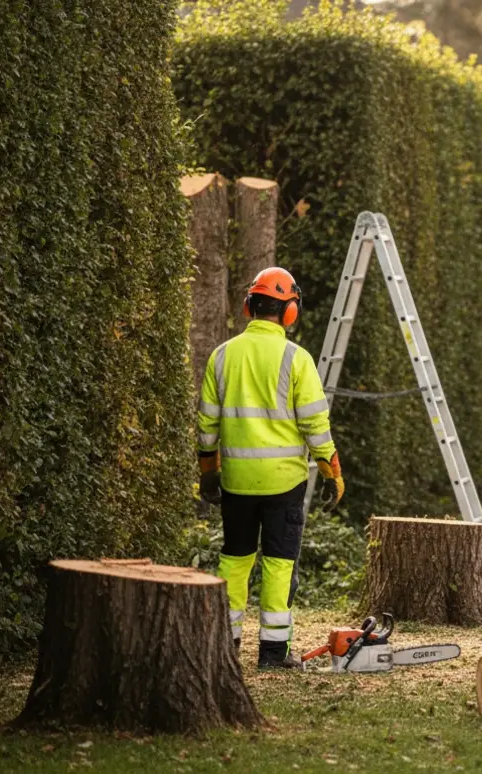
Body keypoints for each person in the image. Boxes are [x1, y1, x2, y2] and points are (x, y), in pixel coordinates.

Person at [197, 267, 344, 669]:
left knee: (235, 559)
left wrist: (208, 472)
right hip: (284, 484)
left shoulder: (221, 356)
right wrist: (331, 471)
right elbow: (316, 424)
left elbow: (207, 424)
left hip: (237, 482)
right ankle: (273, 653)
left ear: (249, 306)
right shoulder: (297, 359)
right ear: (290, 312)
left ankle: (224, 646)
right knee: (279, 565)